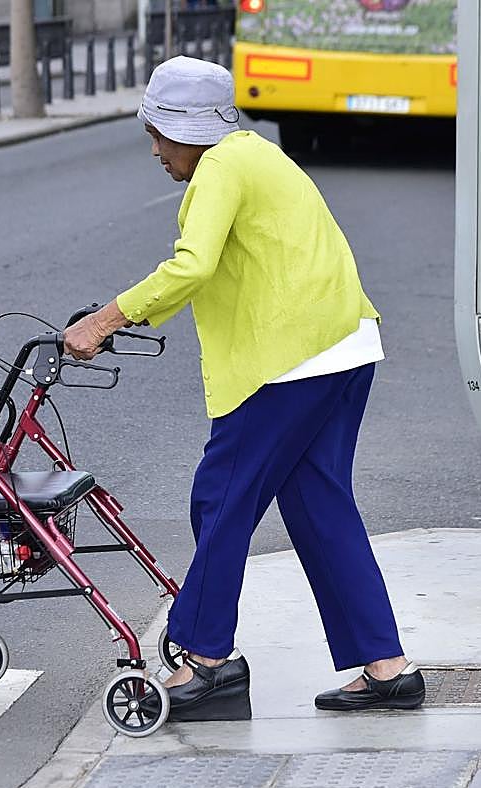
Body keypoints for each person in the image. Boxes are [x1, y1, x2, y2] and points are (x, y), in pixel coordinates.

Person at [62, 56, 425, 721]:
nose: (155, 150)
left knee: (221, 498)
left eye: (158, 135)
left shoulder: (221, 168)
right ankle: (387, 667)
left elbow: (192, 265)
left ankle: (206, 661)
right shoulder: (258, 153)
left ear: (188, 131)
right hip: (344, 346)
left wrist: (106, 318)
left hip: (290, 362)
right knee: (319, 507)